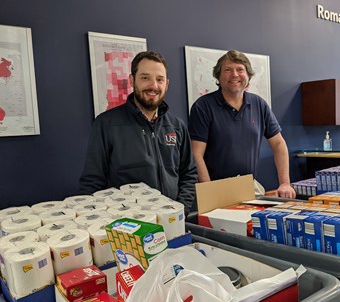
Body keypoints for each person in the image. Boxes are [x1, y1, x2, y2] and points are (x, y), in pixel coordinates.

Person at [79, 51, 197, 212]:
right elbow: (92, 182)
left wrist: (181, 210)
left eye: (159, 79)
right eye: (145, 77)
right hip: (127, 224)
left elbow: (189, 174)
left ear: (167, 84)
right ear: (132, 80)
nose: (153, 85)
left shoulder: (177, 126)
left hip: (172, 220)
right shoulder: (106, 124)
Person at [188, 49, 296, 198]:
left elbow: (278, 144)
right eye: (227, 70)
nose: (234, 75)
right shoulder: (203, 106)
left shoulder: (259, 104)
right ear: (218, 76)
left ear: (248, 75)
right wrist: (209, 193)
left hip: (248, 188)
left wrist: (285, 183)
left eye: (240, 69)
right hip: (214, 188)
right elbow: (196, 154)